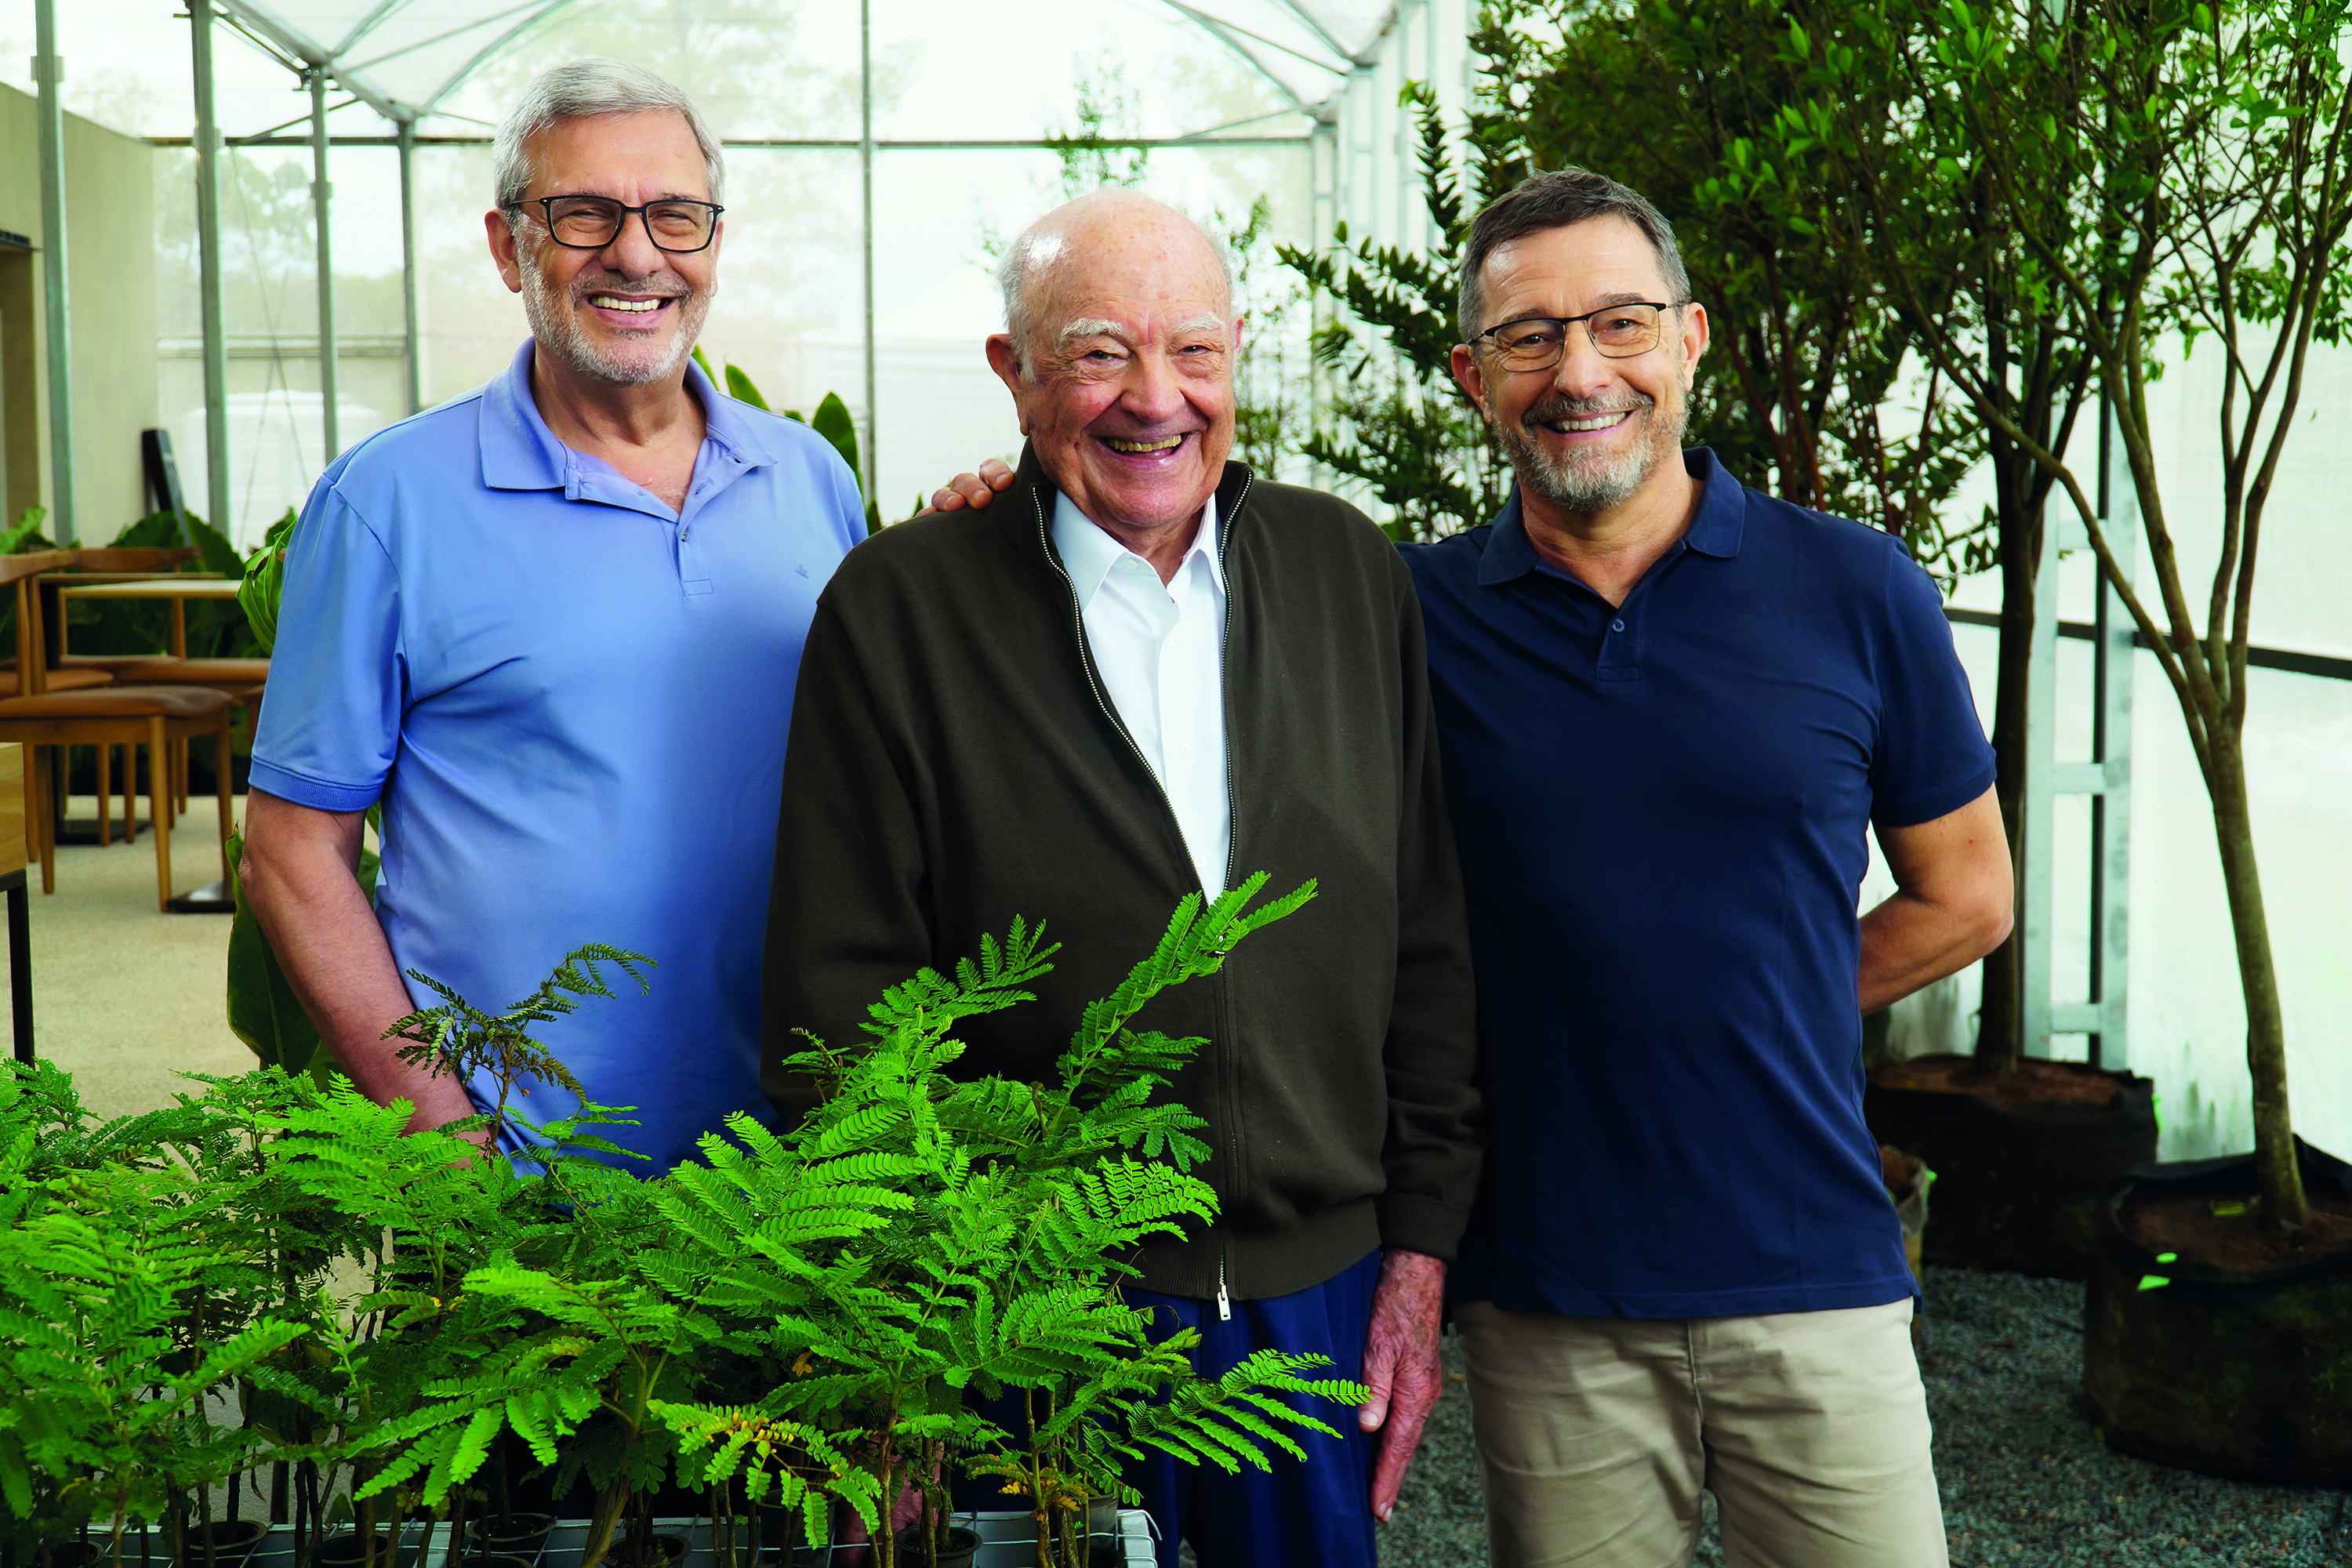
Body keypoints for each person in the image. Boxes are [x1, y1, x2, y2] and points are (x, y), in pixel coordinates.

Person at [929, 169, 2010, 1568]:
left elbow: (1969, 895)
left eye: (1620, 324)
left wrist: (1767, 997)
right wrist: (1003, 508)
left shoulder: (1857, 588)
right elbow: (1146, 532)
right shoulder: (1393, 610)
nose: (1580, 373)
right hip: (1539, 1286)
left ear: (1689, 340)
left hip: (1814, 1275)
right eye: (1528, 338)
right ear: (1472, 377)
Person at [764, 190, 1481, 1568]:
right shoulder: (900, 609)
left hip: (1311, 1304)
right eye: (1098, 353)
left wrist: (1419, 1252)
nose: (1156, 400)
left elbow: (1428, 940)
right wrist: (889, 1347)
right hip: (1021, 1309)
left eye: (1195, 353)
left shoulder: (1347, 575)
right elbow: (839, 1007)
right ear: (1012, 373)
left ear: (1239, 359)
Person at [240, 59, 867, 1173]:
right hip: (523, 1170)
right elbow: (294, 852)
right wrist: (439, 1128)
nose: (638, 254)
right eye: (583, 214)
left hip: (802, 1169)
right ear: (506, 246)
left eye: (677, 215)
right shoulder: (388, 501)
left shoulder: (812, 479)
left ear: (714, 241)